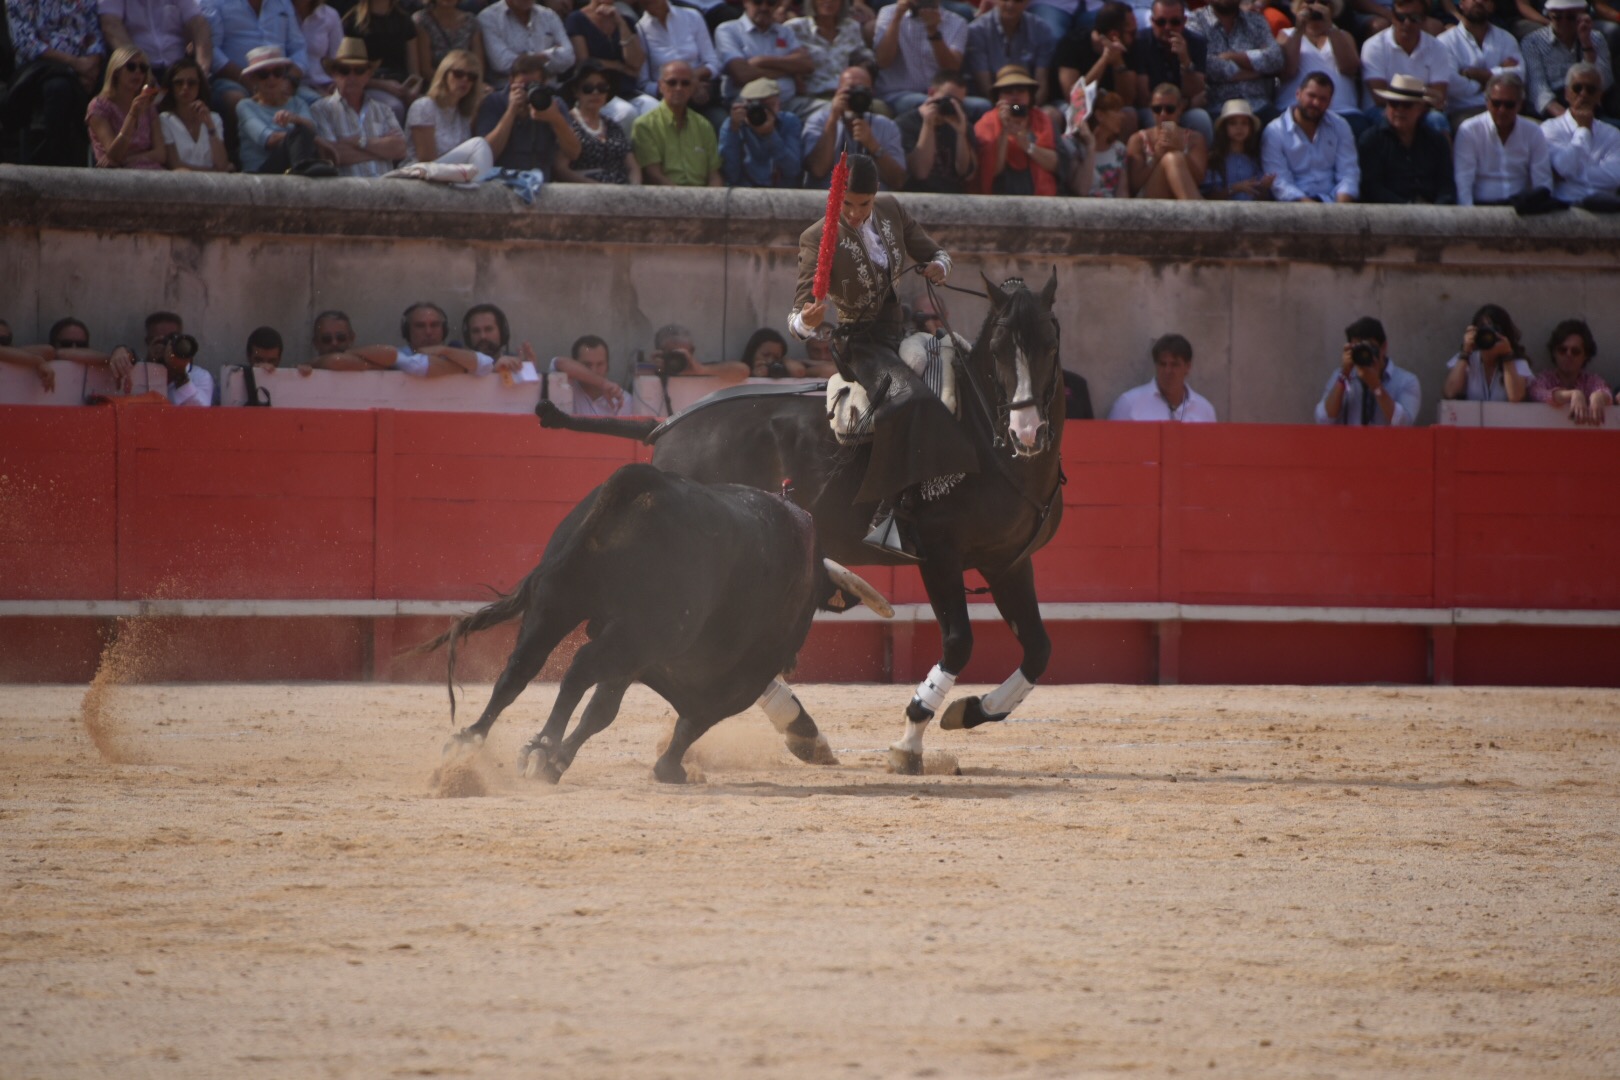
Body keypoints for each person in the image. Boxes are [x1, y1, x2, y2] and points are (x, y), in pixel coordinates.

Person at [788, 154, 977, 560]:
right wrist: (807, 320)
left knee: (960, 368)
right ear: (836, 196)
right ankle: (887, 510)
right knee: (908, 397)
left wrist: (938, 266)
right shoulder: (816, 237)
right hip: (859, 343)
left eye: (864, 204)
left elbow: (935, 252)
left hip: (898, 332)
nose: (855, 213)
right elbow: (797, 316)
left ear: (875, 196)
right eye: (847, 204)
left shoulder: (891, 210)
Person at [3, 0, 106, 165]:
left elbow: (96, 34)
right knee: (59, 89)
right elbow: (25, 43)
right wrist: (75, 65)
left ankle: (110, 158)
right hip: (40, 69)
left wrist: (92, 68)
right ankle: (55, 165)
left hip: (85, 68)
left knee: (117, 79)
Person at [1454, 73, 1555, 205]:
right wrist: (1469, 214)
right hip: (1482, 207)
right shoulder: (1469, 130)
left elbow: (1542, 181)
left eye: (1509, 105)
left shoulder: (1533, 132)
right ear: (1487, 102)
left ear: (1520, 105)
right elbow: (1463, 181)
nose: (1502, 110)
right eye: (1496, 103)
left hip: (1521, 208)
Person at [311, 38, 407, 177]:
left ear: (368, 75)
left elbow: (400, 149)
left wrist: (359, 142)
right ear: (334, 74)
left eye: (359, 70)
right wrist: (382, 150)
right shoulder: (321, 109)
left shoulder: (384, 110)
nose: (352, 77)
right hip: (347, 189)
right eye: (344, 70)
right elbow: (331, 155)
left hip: (384, 188)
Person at [473, 52, 582, 174]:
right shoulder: (493, 102)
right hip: (501, 179)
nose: (528, 92)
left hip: (540, 181)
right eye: (524, 86)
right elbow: (486, 155)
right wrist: (511, 112)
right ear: (511, 81)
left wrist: (556, 119)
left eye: (534, 85)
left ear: (545, 83)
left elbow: (574, 153)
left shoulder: (554, 104)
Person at [803, 65, 909, 188]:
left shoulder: (887, 126)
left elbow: (898, 181)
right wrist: (833, 119)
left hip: (873, 198)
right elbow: (818, 170)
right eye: (851, 89)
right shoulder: (819, 120)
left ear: (872, 93)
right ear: (838, 91)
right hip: (828, 197)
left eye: (863, 90)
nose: (857, 95)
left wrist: (873, 145)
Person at [1261, 71, 1360, 201]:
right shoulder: (1275, 131)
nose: (1316, 103)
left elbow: (1348, 172)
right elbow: (1280, 181)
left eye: (1323, 99)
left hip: (1333, 201)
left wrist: (1341, 208)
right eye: (1311, 96)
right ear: (1298, 94)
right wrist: (1311, 208)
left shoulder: (1340, 126)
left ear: (1330, 102)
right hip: (1294, 205)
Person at [1358, 0, 1453, 136]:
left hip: (1421, 110)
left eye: (1414, 18)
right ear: (1393, 16)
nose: (1407, 23)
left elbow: (1439, 96)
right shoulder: (1373, 46)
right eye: (1401, 17)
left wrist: (1411, 108)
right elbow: (1379, 95)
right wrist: (1422, 94)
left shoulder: (1438, 48)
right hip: (1382, 109)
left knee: (1437, 120)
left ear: (1424, 20)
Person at [204, 0, 312, 118]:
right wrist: (246, 79)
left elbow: (298, 48)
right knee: (236, 101)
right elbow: (211, 48)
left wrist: (289, 81)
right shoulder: (215, 2)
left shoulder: (284, 3)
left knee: (316, 103)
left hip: (280, 79)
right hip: (235, 80)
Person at [1358, 72, 1457, 201]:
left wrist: (1438, 209)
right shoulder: (1371, 140)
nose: (1399, 110)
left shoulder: (1437, 141)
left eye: (1407, 105)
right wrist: (1408, 208)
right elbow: (1372, 188)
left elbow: (1446, 186)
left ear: (1421, 109)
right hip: (1388, 211)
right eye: (1394, 103)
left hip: (1433, 210)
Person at [1276, 0, 1361, 139]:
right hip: (1296, 110)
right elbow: (1287, 71)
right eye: (1309, 2)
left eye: (1322, 2)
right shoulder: (1286, 34)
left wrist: (1329, 27)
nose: (1315, 7)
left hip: (1343, 112)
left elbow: (1350, 68)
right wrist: (1299, 29)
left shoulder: (1343, 35)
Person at [1129, 0, 1211, 144]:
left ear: (1184, 21)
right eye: (1161, 22)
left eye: (1174, 22)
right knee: (1160, 122)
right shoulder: (1140, 42)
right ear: (1152, 21)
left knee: (1200, 118)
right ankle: (1163, 157)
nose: (1167, 27)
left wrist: (1185, 60)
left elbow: (1197, 90)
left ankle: (1202, 157)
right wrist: (1180, 106)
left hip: (1182, 109)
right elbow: (1143, 98)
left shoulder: (1196, 42)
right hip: (1154, 109)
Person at [1315, 316, 1422, 425]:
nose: (1364, 354)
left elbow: (1404, 423)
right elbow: (1323, 420)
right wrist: (1344, 377)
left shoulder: (1406, 381)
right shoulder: (1341, 376)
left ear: (1384, 347)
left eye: (1370, 347)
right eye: (1358, 348)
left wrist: (1376, 386)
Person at [236, 44, 326, 174]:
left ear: (284, 75)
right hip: (261, 171)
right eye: (263, 74)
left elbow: (312, 128)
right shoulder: (245, 106)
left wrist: (295, 119)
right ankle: (303, 168)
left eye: (277, 72)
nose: (271, 78)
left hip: (288, 165)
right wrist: (306, 137)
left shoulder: (297, 102)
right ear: (253, 79)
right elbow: (269, 140)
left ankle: (303, 167)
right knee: (301, 134)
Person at [873, 0, 971, 117]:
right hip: (898, 93)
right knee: (926, 104)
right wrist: (897, 17)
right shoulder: (889, 13)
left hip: (941, 94)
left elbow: (951, 70)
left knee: (980, 106)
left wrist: (933, 30)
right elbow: (883, 61)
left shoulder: (957, 23)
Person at [632, 60, 723, 186]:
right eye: (672, 82)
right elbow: (653, 174)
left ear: (692, 88)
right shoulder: (644, 125)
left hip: (703, 196)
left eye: (685, 83)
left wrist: (711, 196)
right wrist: (685, 197)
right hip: (665, 196)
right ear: (661, 86)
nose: (678, 88)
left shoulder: (704, 125)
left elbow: (714, 175)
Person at [974, 63, 1061, 193]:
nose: (1015, 96)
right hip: (1001, 196)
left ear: (1030, 95)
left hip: (1040, 197)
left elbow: (1056, 164)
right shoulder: (986, 123)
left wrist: (1027, 146)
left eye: (1021, 90)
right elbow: (991, 171)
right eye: (1008, 92)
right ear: (999, 97)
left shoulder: (1044, 120)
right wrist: (1004, 131)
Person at [1438, 0, 1526, 128]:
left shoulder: (1506, 39)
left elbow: (1519, 77)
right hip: (1464, 111)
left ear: (1492, 6)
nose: (1479, 1)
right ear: (1461, 3)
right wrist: (1498, 74)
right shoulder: (1445, 41)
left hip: (1504, 109)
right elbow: (1452, 84)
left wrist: (1477, 74)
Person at [1187, 0, 1283, 116]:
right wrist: (1258, 72)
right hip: (1217, 108)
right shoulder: (1195, 22)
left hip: (1258, 105)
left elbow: (1276, 58)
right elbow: (1205, 65)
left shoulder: (1256, 21)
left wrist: (1232, 57)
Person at [1522, 0, 1614, 120]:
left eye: (1571, 17)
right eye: (1558, 17)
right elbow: (1538, 91)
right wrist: (1569, 119)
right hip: (1552, 111)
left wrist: (1586, 45)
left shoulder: (1596, 39)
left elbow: (1605, 82)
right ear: (1549, 15)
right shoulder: (1532, 42)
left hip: (1589, 106)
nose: (1564, 23)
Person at [1055, 3, 1140, 131]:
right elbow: (1074, 98)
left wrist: (1118, 63)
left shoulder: (1130, 47)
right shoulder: (1071, 44)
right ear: (1114, 35)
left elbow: (1127, 99)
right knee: (1057, 114)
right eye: (1132, 33)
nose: (1136, 36)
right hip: (1069, 106)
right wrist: (1104, 59)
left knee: (1129, 114)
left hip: (1108, 105)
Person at [1544, 63, 1620, 203]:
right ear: (1567, 93)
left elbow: (1614, 177)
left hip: (1605, 207)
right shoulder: (1550, 128)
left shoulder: (1613, 134)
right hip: (1565, 205)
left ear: (1599, 96)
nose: (1583, 94)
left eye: (1591, 89)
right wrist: (1583, 131)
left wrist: (1572, 174)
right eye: (1577, 88)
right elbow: (1562, 168)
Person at [716, 0, 813, 108]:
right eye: (758, 2)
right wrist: (790, 70)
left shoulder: (785, 31)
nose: (764, 7)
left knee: (825, 110)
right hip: (749, 106)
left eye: (770, 3)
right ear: (745, 2)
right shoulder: (727, 30)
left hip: (790, 102)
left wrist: (761, 61)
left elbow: (807, 64)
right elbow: (742, 75)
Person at [565, 0, 648, 125]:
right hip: (597, 91)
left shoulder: (626, 20)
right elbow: (585, 62)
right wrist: (620, 66)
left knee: (653, 107)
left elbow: (636, 63)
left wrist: (620, 23)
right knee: (626, 113)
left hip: (627, 89)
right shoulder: (576, 19)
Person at [965, 0, 1058, 111]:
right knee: (983, 106)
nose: (1010, 5)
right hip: (992, 103)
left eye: (1017, 1)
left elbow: (1041, 83)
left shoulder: (1041, 29)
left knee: (1051, 113)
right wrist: (1010, 109)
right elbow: (985, 86)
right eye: (1005, 0)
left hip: (1029, 104)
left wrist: (1024, 110)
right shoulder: (977, 30)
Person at [787, 0, 875, 115]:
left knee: (880, 108)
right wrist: (795, 76)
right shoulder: (795, 28)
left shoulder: (851, 26)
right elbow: (782, 58)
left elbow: (865, 58)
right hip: (813, 96)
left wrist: (860, 73)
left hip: (848, 94)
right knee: (841, 112)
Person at [86, 45, 168, 169]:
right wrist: (132, 115)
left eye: (143, 68)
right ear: (116, 72)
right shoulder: (99, 106)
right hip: (119, 175)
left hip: (151, 171)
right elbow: (114, 155)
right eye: (131, 67)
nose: (138, 72)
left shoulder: (148, 106)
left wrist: (131, 159)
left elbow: (161, 154)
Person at [560, 60, 641, 183]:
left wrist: (633, 188)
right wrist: (598, 189)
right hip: (583, 190)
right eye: (588, 88)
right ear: (576, 92)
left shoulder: (613, 125)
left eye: (602, 88)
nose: (596, 93)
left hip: (621, 190)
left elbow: (632, 167)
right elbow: (561, 169)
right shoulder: (567, 123)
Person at [899, 69, 979, 191]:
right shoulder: (906, 124)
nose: (951, 105)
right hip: (918, 195)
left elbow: (964, 173)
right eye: (948, 99)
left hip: (954, 195)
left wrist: (961, 134)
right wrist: (928, 124)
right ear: (931, 93)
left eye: (958, 103)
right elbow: (920, 172)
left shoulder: (962, 125)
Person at [1107, 333, 1217, 421]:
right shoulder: (1129, 404)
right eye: (1163, 364)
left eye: (1175, 365)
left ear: (1187, 367)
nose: (1167, 371)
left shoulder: (1205, 410)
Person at [1126, 80, 1207, 197]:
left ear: (1180, 109)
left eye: (1169, 109)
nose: (1163, 114)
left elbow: (1199, 179)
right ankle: (1196, 208)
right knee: (1171, 158)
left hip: (1182, 194)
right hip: (1149, 196)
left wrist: (1180, 151)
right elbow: (1134, 185)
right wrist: (1156, 157)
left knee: (1173, 157)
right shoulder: (1138, 139)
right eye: (1157, 109)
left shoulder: (1194, 139)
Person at [406, 49, 487, 164]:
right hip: (422, 171)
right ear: (444, 75)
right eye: (458, 74)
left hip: (454, 171)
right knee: (478, 144)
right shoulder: (423, 106)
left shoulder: (463, 113)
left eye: (471, 77)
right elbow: (427, 160)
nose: (465, 80)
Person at [720, 76, 804, 187]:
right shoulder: (733, 124)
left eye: (768, 105)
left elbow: (792, 170)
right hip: (746, 191)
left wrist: (771, 135)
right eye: (756, 106)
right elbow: (730, 174)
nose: (762, 111)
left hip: (782, 190)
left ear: (778, 103)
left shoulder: (789, 122)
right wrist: (733, 131)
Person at [98, 0, 212, 82]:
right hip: (137, 69)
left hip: (179, 68)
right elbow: (111, 25)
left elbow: (199, 24)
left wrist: (202, 70)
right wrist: (139, 64)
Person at [1443, 302, 1533, 402]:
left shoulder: (1516, 362)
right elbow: (1450, 393)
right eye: (1482, 327)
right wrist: (1465, 352)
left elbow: (1515, 397)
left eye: (1494, 328)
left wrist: (1507, 356)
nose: (1488, 333)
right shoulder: (1468, 358)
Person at [635, 0, 718, 107]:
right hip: (666, 100)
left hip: (701, 91)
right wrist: (674, 87)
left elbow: (713, 63)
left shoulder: (692, 16)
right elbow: (643, 84)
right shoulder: (640, 29)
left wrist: (693, 78)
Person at [1528, 318, 1612, 423]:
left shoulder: (1591, 380)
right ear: (1554, 352)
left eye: (1575, 351)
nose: (1568, 355)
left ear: (1585, 355)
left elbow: (1605, 392)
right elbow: (1535, 393)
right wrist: (1572, 395)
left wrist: (1598, 397)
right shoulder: (1544, 378)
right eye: (1562, 350)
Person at [478, 0, 572, 88]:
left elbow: (569, 57)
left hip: (550, 91)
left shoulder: (549, 15)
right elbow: (502, 63)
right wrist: (548, 56)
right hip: (508, 91)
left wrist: (524, 59)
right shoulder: (488, 18)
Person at [158, 56, 229, 170]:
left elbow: (221, 164)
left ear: (199, 86)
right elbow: (175, 165)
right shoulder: (165, 119)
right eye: (178, 83)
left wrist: (210, 126)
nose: (185, 87)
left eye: (192, 83)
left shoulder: (214, 119)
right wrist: (213, 172)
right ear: (171, 87)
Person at [1202, 97, 1274, 197]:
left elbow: (1260, 197)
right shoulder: (1215, 160)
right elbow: (1209, 197)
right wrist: (1235, 188)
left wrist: (1264, 187)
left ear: (1250, 128)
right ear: (1224, 127)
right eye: (1233, 123)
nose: (1239, 128)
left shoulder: (1255, 159)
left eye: (1244, 123)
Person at [554, 334, 637, 416]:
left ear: (607, 366)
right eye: (587, 364)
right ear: (575, 364)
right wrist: (603, 383)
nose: (594, 370)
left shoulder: (623, 399)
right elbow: (560, 363)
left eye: (600, 364)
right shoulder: (566, 388)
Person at [1070, 88, 1130, 194]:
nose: (1122, 116)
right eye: (1116, 111)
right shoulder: (1076, 148)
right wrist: (1091, 146)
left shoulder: (1120, 150)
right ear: (1100, 115)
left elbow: (1123, 192)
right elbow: (1081, 191)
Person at [413, 0, 483, 84]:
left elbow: (478, 65)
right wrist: (452, 86)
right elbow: (426, 69)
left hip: (467, 83)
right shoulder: (422, 20)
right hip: (435, 84)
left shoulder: (471, 21)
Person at [647, 323, 749, 380]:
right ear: (659, 353)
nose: (676, 360)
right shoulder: (653, 372)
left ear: (692, 351)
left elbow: (743, 371)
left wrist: (701, 371)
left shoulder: (701, 369)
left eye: (680, 354)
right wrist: (650, 371)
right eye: (672, 354)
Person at [293, 0, 343, 98]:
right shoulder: (280, 14)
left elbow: (337, 60)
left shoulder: (330, 16)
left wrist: (337, 83)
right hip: (288, 87)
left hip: (323, 86)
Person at [163, 332, 213, 405]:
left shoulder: (200, 376)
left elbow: (200, 407)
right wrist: (151, 359)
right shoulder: (151, 371)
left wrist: (180, 373)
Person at [741, 327, 807, 377]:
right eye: (765, 355)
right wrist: (753, 374)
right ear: (753, 352)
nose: (770, 361)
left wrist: (782, 363)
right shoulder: (741, 371)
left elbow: (799, 371)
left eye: (776, 357)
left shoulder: (782, 366)